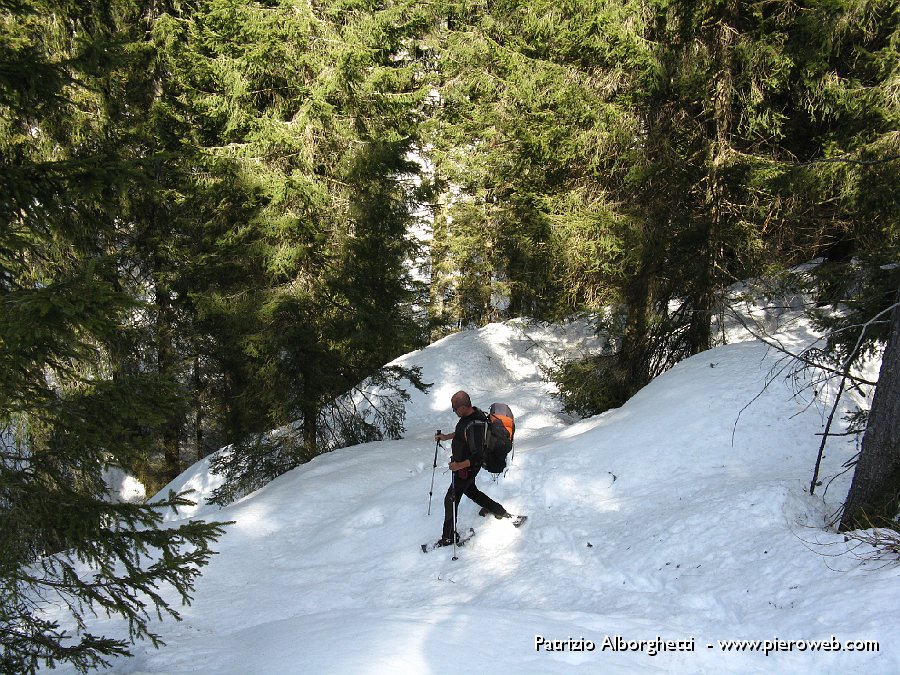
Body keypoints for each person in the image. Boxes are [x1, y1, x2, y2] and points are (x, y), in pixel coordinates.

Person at [434, 390, 509, 545]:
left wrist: (457, 465)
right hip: (463, 468)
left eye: (455, 409)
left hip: (465, 469)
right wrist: (447, 436)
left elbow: (477, 457)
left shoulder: (474, 425)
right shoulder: (473, 415)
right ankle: (498, 510)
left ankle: (448, 538)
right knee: (471, 491)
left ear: (463, 407)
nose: (454, 411)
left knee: (450, 500)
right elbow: (464, 432)